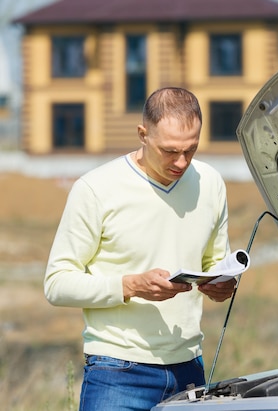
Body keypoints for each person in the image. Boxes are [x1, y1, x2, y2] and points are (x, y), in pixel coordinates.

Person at [44, 87, 237, 411]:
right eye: (170, 151)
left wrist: (223, 284)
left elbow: (215, 261)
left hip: (190, 370)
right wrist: (130, 285)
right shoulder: (95, 189)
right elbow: (56, 284)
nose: (181, 162)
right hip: (116, 372)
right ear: (142, 134)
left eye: (191, 149)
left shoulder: (211, 182)